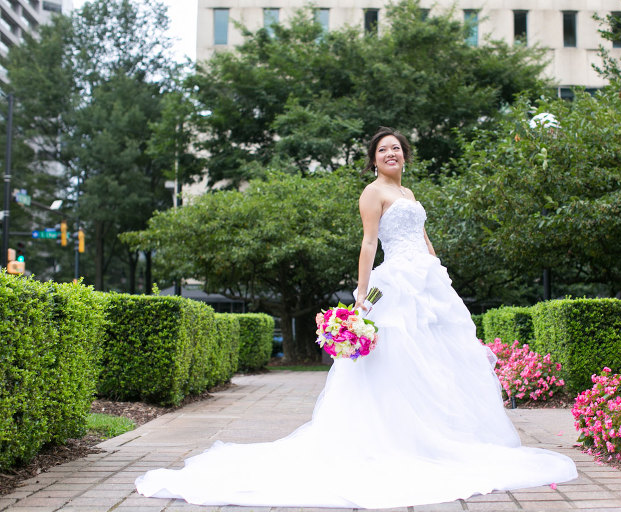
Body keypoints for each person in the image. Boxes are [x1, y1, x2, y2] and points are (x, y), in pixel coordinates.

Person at [135, 127, 577, 508]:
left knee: (436, 358)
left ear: (405, 155)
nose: (391, 154)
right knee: (396, 356)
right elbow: (369, 243)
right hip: (394, 283)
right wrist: (362, 295)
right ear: (374, 160)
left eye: (396, 148)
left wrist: (439, 275)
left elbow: (424, 238)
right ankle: (396, 438)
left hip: (426, 283)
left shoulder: (409, 194)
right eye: (383, 150)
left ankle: (443, 432)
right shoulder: (373, 192)